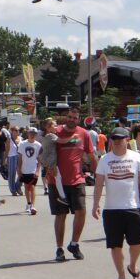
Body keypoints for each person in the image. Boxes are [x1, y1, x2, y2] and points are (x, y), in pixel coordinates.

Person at [93, 127, 140, 279]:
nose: (117, 142)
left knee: (136, 242)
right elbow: (98, 184)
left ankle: (133, 266)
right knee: (115, 244)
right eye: (114, 139)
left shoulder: (136, 157)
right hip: (112, 209)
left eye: (121, 139)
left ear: (127, 140)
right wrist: (96, 204)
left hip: (133, 207)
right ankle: (121, 277)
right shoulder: (105, 159)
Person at [49, 108, 95, 262]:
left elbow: (90, 155)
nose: (71, 119)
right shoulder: (56, 132)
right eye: (69, 117)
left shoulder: (84, 134)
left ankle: (74, 244)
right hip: (57, 181)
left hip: (77, 180)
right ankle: (59, 248)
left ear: (78, 119)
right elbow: (45, 152)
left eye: (75, 118)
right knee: (61, 215)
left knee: (81, 211)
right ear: (65, 117)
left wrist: (98, 174)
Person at [17, 128, 42, 215]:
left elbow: (39, 159)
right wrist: (19, 170)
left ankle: (33, 206)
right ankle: (28, 203)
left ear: (36, 135)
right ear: (28, 134)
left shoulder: (38, 145)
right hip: (24, 169)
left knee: (32, 187)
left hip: (33, 170)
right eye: (31, 133)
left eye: (34, 134)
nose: (32, 135)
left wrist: (38, 171)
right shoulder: (22, 144)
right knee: (27, 187)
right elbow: (20, 158)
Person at [6, 126, 21, 196]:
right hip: (12, 157)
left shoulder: (21, 139)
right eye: (16, 130)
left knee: (22, 173)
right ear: (12, 131)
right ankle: (13, 190)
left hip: (20, 157)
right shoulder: (9, 139)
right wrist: (5, 159)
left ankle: (18, 187)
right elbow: (7, 150)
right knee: (12, 174)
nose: (18, 131)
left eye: (18, 130)